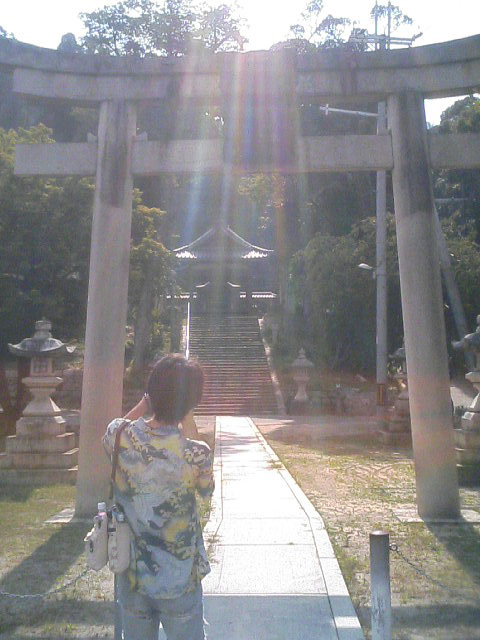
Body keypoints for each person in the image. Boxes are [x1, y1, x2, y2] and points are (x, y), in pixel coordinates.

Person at [103, 354, 214, 640]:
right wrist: (185, 413)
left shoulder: (122, 438)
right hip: (179, 579)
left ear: (151, 392)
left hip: (132, 576)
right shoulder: (197, 453)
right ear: (192, 401)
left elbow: (113, 432)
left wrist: (146, 402)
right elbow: (205, 491)